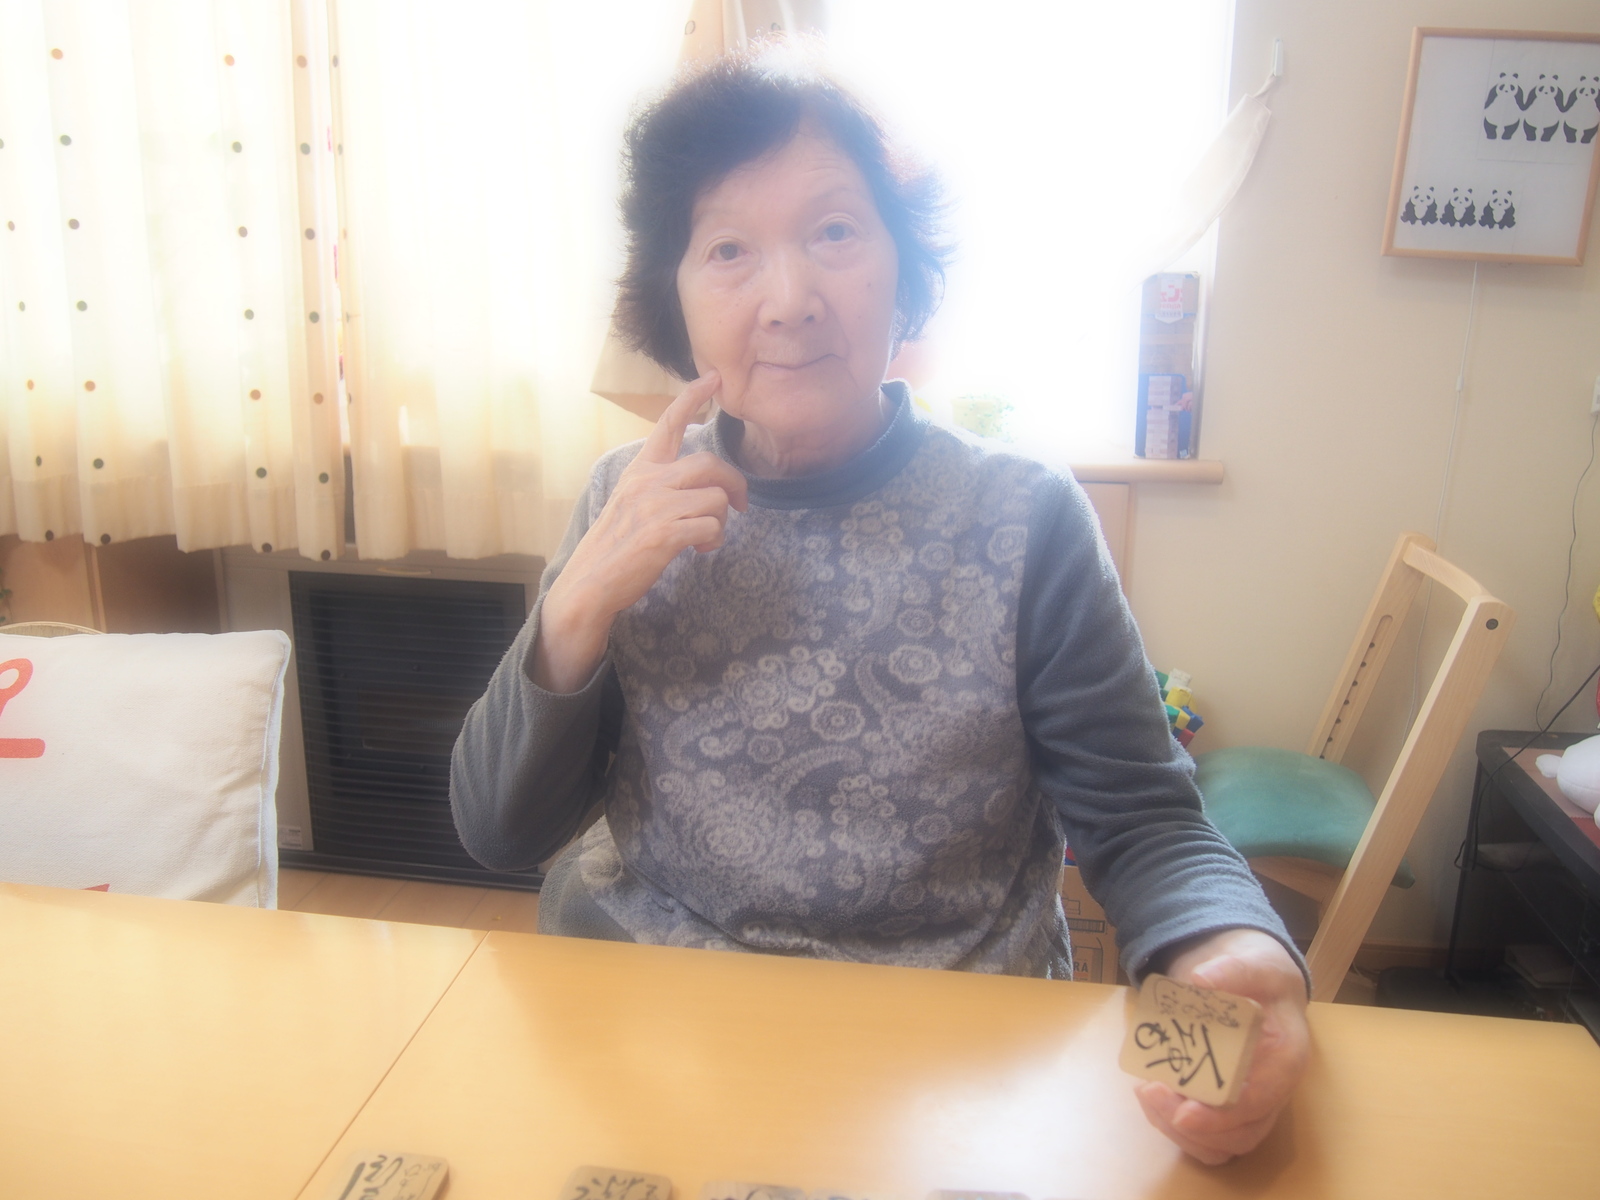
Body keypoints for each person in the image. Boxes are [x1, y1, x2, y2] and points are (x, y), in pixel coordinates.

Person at [450, 46, 1309, 1164]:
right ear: (673, 300)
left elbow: (1145, 823)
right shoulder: (628, 497)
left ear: (905, 271)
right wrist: (575, 611)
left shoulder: (1026, 515)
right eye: (728, 250)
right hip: (654, 1023)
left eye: (835, 232)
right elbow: (497, 833)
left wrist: (1228, 961)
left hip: (950, 1060)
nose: (790, 300)